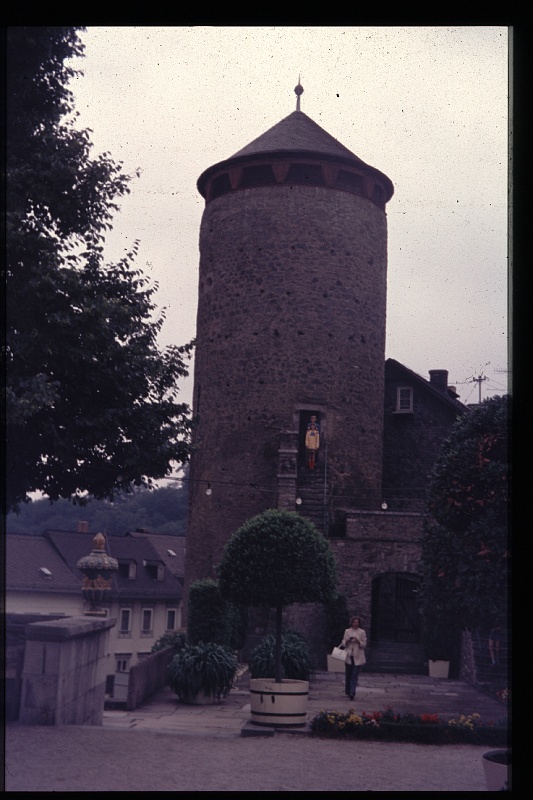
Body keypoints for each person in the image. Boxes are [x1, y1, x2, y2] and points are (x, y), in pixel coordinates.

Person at [339, 616, 367, 700]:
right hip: (349, 655)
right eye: (354, 622)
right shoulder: (347, 631)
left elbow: (364, 644)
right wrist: (348, 640)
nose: (356, 624)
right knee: (348, 674)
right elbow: (343, 642)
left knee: (354, 675)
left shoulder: (362, 632)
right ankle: (348, 690)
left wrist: (358, 640)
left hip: (358, 656)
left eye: (357, 622)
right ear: (352, 622)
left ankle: (352, 692)